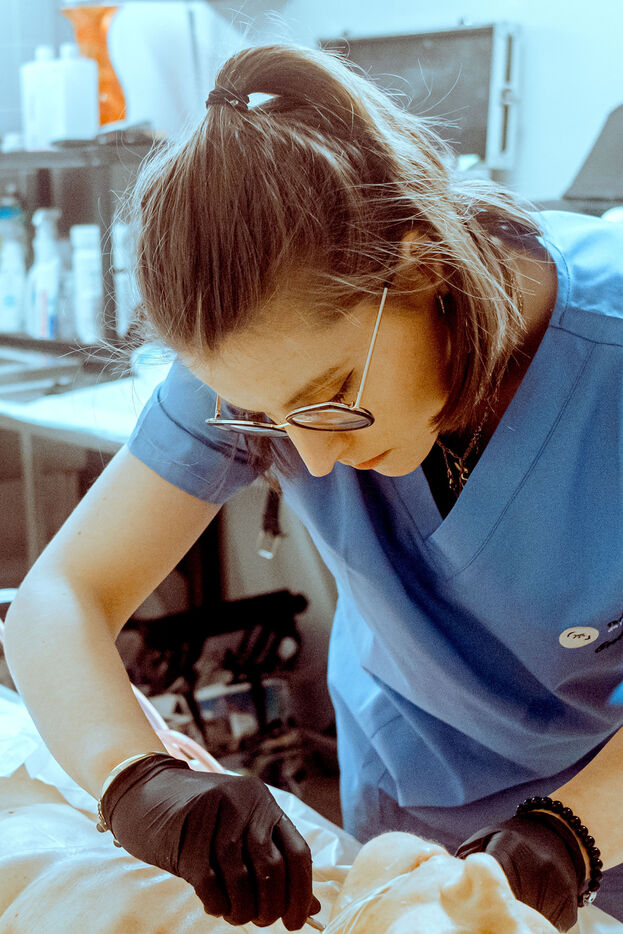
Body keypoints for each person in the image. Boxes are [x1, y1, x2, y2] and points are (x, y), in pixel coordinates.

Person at [4, 41, 623, 932]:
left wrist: (572, 831)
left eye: (330, 396)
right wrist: (140, 781)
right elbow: (59, 596)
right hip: (411, 795)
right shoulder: (261, 356)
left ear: (417, 266)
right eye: (265, 419)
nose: (314, 458)